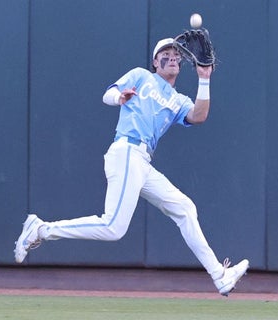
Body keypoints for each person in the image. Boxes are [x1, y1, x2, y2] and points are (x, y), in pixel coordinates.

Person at [14, 38, 249, 296]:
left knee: (184, 208)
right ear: (154, 61)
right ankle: (41, 229)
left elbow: (199, 115)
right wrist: (119, 97)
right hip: (126, 151)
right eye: (165, 53)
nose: (172, 57)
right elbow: (107, 94)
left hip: (142, 162)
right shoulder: (141, 76)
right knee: (113, 227)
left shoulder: (178, 100)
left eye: (176, 54)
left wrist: (204, 79)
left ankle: (219, 276)